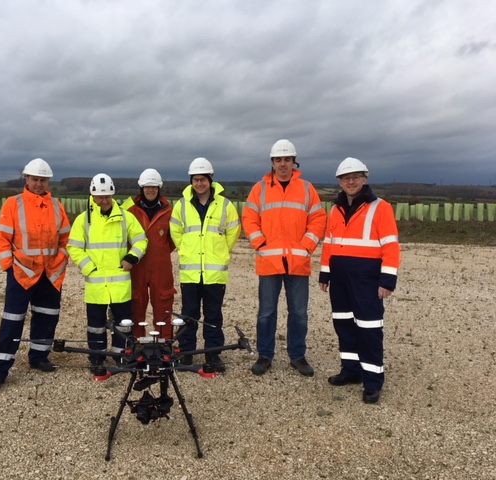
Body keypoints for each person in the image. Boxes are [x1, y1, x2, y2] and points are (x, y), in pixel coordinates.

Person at [319, 157, 400, 404]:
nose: (350, 181)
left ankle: (373, 381)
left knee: (369, 329)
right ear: (340, 182)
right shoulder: (336, 209)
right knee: (343, 325)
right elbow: (329, 243)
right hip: (340, 279)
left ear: (364, 179)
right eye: (346, 178)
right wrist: (325, 272)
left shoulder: (380, 207)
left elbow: (390, 245)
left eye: (355, 177)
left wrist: (387, 279)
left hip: (367, 279)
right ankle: (351, 370)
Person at [242, 139, 326, 377]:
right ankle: (265, 356)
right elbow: (249, 218)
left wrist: (307, 246)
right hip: (269, 261)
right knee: (267, 312)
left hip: (297, 261)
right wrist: (260, 243)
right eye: (278, 160)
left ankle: (297, 356)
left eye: (287, 159)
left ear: (294, 162)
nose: (282, 164)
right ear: (272, 162)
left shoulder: (307, 188)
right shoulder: (260, 188)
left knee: (299, 312)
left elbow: (318, 219)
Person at [0, 158, 71, 391]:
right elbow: (2, 238)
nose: (39, 183)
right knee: (13, 320)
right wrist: (8, 266)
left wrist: (61, 258)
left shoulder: (56, 205)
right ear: (26, 179)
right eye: (35, 179)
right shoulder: (13, 204)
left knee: (47, 316)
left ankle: (39, 356)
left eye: (43, 180)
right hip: (22, 272)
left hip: (50, 272)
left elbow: (66, 237)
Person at [68, 173, 148, 373]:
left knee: (123, 324)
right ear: (92, 196)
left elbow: (141, 240)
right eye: (100, 196)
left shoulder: (125, 217)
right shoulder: (83, 220)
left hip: (120, 283)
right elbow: (74, 247)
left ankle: (122, 356)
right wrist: (89, 268)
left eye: (107, 196)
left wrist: (132, 258)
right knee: (95, 325)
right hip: (96, 284)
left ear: (112, 195)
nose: (104, 200)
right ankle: (97, 358)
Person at [170, 158, 241, 372]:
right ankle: (186, 354)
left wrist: (221, 253)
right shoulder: (181, 205)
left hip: (214, 273)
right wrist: (186, 250)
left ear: (210, 180)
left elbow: (233, 231)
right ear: (191, 181)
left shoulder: (225, 205)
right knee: (189, 315)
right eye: (195, 179)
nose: (199, 183)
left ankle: (213, 355)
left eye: (203, 179)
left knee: (213, 316)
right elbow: (176, 232)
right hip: (191, 273)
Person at [121, 168, 177, 340]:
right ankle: (136, 344)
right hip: (136, 267)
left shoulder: (169, 210)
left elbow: (173, 239)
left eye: (153, 187)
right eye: (147, 187)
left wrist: (159, 252)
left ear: (159, 188)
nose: (150, 190)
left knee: (163, 304)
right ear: (141, 188)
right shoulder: (128, 210)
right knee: (136, 306)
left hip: (161, 267)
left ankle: (164, 343)